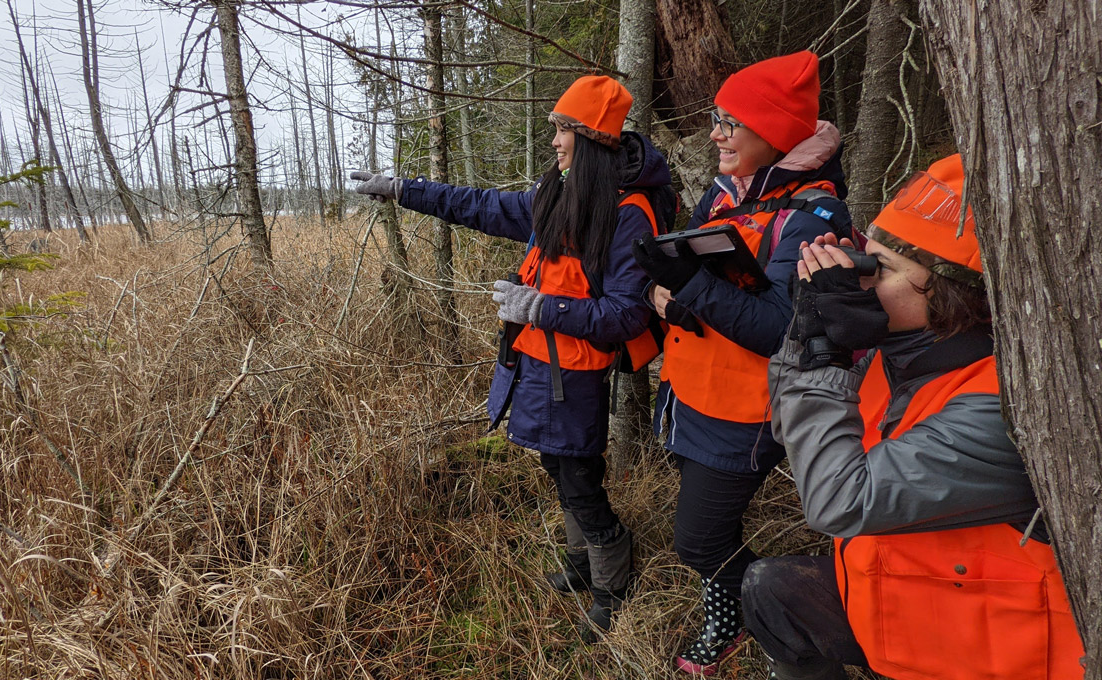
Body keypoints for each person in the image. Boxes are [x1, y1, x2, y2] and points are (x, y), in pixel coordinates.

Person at [350, 75, 674, 639]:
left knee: (578, 476)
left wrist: (543, 309)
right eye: (554, 128)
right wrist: (403, 188)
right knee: (556, 465)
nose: (553, 140)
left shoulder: (629, 214)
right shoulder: (560, 194)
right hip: (537, 366)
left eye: (564, 129)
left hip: (575, 375)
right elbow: (479, 205)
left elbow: (627, 315)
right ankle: (580, 564)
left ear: (593, 139)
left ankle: (612, 582)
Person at [743, 154, 1086, 680]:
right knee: (772, 592)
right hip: (908, 610)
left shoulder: (1002, 407)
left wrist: (826, 355)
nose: (859, 280)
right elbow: (790, 428)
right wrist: (808, 334)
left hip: (989, 653)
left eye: (881, 270)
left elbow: (838, 502)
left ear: (952, 295)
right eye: (864, 260)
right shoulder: (901, 357)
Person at [629, 51, 853, 674]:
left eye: (732, 121)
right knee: (705, 530)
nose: (716, 133)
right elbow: (695, 276)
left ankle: (768, 609)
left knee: (697, 539)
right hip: (690, 393)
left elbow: (784, 327)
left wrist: (690, 288)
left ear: (775, 132)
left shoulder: (814, 214)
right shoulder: (726, 194)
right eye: (715, 118)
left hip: (745, 412)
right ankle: (732, 597)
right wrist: (661, 294)